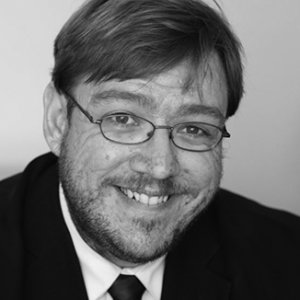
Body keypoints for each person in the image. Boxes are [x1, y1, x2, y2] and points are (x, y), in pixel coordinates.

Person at [1, 0, 300, 299]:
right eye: (123, 119)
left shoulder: (287, 259)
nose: (160, 166)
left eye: (194, 129)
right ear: (57, 121)